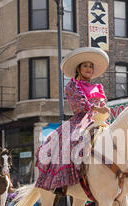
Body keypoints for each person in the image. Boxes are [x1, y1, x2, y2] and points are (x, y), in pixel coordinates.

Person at [35, 47, 110, 194]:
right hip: (81, 120)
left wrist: (104, 109)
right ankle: (60, 183)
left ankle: (118, 180)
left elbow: (103, 103)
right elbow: (79, 104)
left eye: (91, 66)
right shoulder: (72, 86)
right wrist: (97, 108)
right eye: (85, 66)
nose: (89, 68)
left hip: (100, 120)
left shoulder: (98, 87)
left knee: (116, 141)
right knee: (70, 142)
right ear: (78, 68)